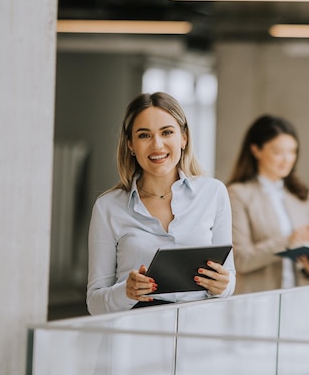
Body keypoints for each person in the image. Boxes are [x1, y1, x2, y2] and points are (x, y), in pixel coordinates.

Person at [86, 92, 235, 315]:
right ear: (131, 145)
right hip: (135, 336)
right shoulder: (108, 207)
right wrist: (126, 292)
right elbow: (94, 303)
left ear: (183, 138)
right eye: (144, 135)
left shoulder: (213, 193)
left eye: (167, 132)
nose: (157, 144)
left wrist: (224, 286)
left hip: (198, 334)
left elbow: (229, 280)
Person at [227, 115, 309, 294]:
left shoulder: (303, 195)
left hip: (299, 301)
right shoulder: (237, 194)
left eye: (293, 151)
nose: (287, 159)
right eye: (278, 152)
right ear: (256, 150)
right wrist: (287, 241)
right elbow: (239, 259)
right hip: (257, 301)